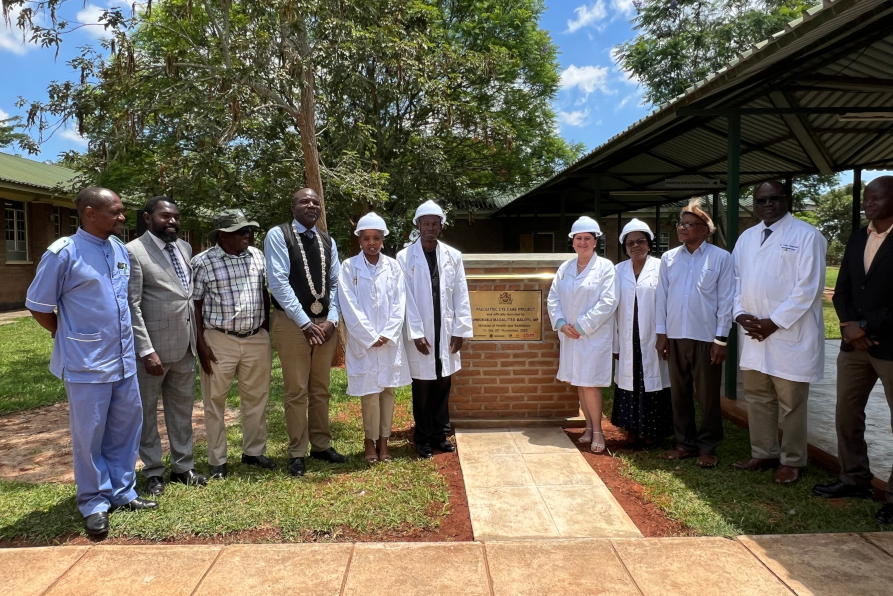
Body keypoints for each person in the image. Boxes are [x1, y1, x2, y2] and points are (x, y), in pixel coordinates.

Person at [25, 187, 156, 536]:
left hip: (124, 361)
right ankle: (94, 502)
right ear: (89, 213)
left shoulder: (116, 249)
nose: (122, 217)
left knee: (126, 429)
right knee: (89, 436)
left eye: (121, 210)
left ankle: (122, 491)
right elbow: (38, 306)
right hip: (86, 364)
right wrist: (65, 335)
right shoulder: (63, 254)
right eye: (114, 212)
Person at [731, 182, 827, 485]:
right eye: (762, 200)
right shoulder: (747, 238)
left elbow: (808, 289)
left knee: (791, 403)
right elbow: (735, 281)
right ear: (755, 204)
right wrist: (739, 314)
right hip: (754, 334)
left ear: (788, 200)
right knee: (758, 397)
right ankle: (763, 451)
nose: (768, 204)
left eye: (775, 198)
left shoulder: (807, 236)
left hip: (789, 334)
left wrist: (774, 322)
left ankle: (793, 460)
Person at [813, 176, 893, 525]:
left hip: (889, 344)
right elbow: (842, 288)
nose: (868, 203)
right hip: (853, 345)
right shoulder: (859, 236)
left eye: (876, 197)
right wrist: (848, 325)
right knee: (847, 414)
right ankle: (854, 478)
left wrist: (866, 326)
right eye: (865, 198)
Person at [127, 196, 206, 496]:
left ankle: (183, 467)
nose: (172, 221)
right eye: (164, 216)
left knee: (181, 411)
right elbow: (132, 306)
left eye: (175, 216)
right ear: (147, 218)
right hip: (153, 352)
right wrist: (146, 350)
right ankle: (153, 472)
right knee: (147, 414)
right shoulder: (134, 252)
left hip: (185, 347)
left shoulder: (184, 248)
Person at [265, 188, 346, 477]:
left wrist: (332, 319)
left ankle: (321, 445)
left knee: (321, 388)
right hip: (292, 324)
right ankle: (297, 451)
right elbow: (278, 282)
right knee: (296, 390)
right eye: (304, 201)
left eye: (315, 202)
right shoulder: (279, 235)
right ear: (294, 206)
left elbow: (336, 284)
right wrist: (304, 322)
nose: (311, 205)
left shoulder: (327, 240)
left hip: (325, 324)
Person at [192, 209, 275, 480]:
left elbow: (264, 292)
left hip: (255, 339)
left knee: (256, 398)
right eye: (241, 231)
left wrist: (264, 329)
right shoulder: (203, 262)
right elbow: (195, 304)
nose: (247, 235)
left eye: (249, 230)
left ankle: (254, 452)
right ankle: (218, 460)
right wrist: (201, 344)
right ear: (223, 234)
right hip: (219, 339)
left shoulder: (257, 256)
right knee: (215, 401)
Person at [656, 198, 733, 469]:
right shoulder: (668, 259)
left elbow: (726, 301)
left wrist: (721, 338)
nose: (683, 228)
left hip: (706, 337)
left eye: (689, 224)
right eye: (681, 223)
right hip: (676, 336)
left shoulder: (721, 258)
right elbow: (661, 298)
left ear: (705, 229)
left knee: (708, 395)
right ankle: (685, 444)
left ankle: (708, 446)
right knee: (679, 393)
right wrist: (661, 334)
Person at [398, 200, 473, 459]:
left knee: (443, 384)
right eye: (425, 223)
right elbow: (404, 298)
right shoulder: (404, 257)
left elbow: (461, 294)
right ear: (417, 225)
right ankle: (423, 438)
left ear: (441, 226)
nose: (430, 227)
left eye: (435, 223)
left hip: (447, 330)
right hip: (422, 333)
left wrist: (460, 330)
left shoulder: (453, 256)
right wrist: (416, 333)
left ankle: (441, 435)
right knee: (423, 388)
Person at [337, 212, 411, 463]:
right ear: (359, 239)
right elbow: (348, 304)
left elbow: (399, 302)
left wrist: (388, 333)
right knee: (369, 393)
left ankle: (384, 442)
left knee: (387, 392)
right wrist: (370, 335)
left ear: (382, 240)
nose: (372, 243)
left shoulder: (393, 267)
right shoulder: (349, 267)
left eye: (376, 238)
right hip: (364, 342)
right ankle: (369, 442)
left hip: (388, 342)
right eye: (367, 238)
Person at [547, 216, 617, 453]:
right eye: (579, 238)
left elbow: (608, 302)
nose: (583, 242)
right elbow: (553, 297)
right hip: (570, 334)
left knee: (590, 384)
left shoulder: (606, 267)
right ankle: (588, 427)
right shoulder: (565, 268)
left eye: (588, 238)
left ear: (595, 241)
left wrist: (582, 326)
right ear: (573, 241)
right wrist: (561, 323)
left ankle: (598, 431)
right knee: (579, 381)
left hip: (592, 335)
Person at [611, 218, 673, 448]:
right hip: (627, 335)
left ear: (649, 243)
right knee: (630, 381)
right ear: (625, 247)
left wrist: (664, 334)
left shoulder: (661, 267)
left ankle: (652, 431)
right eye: (630, 243)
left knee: (653, 381)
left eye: (640, 241)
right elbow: (612, 308)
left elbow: (669, 302)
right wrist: (616, 345)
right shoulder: (618, 270)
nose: (635, 246)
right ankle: (631, 429)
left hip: (653, 335)